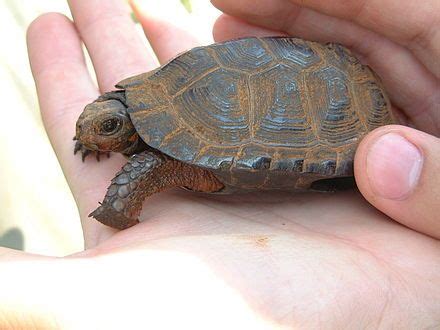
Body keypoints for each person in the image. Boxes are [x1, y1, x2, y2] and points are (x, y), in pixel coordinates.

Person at [1, 0, 439, 328]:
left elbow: (145, 167)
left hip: (334, 122)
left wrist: (118, 209)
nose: (98, 136)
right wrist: (93, 134)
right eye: (100, 126)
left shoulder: (162, 159)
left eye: (110, 128)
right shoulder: (153, 101)